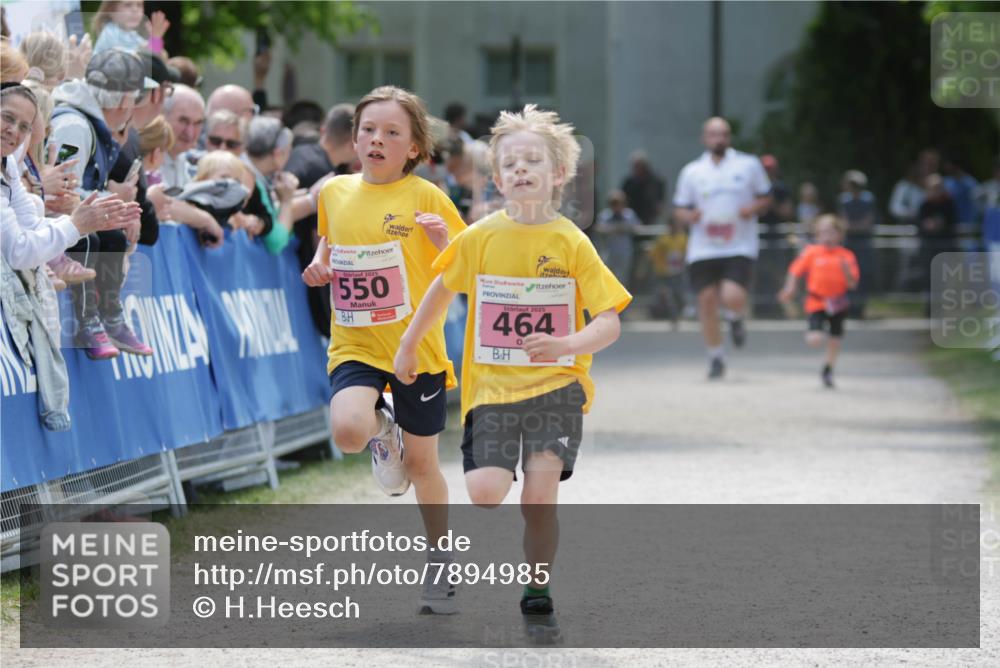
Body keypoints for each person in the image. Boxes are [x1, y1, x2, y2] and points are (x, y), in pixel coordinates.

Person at [394, 104, 630, 642]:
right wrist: (409, 344)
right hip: (493, 392)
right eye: (511, 163)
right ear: (497, 177)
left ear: (558, 175)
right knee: (484, 493)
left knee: (538, 500)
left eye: (533, 161)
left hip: (556, 389)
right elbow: (441, 287)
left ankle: (537, 590)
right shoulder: (480, 236)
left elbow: (610, 321)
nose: (521, 170)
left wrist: (566, 343)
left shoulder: (571, 240)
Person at [301, 85, 466, 614]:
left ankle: (439, 562)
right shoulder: (332, 192)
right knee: (349, 431)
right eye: (368, 130)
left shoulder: (428, 199)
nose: (377, 139)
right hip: (354, 342)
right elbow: (330, 242)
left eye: (392, 133)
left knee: (422, 467)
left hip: (415, 350)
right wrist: (321, 264)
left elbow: (464, 272)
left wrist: (444, 244)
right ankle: (381, 430)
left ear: (415, 147)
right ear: (353, 138)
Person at [48, 48, 156, 359]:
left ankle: (110, 316)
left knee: (111, 235)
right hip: (50, 221)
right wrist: (114, 205)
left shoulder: (89, 124)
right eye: (134, 100)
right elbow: (62, 193)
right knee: (94, 236)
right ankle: (89, 322)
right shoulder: (74, 125)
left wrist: (114, 200)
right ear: (124, 100)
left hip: (65, 214)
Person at [672, 116, 772, 379]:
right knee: (705, 302)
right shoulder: (692, 171)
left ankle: (735, 317)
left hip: (738, 244)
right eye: (714, 134)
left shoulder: (748, 165)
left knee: (732, 297)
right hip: (703, 247)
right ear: (705, 138)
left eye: (724, 134)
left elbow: (766, 197)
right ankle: (715, 356)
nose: (719, 139)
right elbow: (680, 207)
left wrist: (752, 208)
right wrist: (687, 216)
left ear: (729, 137)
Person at [2, 83, 139, 270]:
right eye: (7, 118)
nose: (14, 130)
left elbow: (31, 226)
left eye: (24, 126)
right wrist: (77, 224)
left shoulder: (7, 161)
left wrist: (88, 220)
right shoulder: (74, 125)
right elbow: (18, 252)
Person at [286, 103, 357, 335]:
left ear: (325, 129)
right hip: (303, 272)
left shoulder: (302, 154)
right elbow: (322, 236)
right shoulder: (323, 175)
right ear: (352, 144)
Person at [778, 214, 859, 388]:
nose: (827, 236)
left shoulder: (846, 255)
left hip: (838, 303)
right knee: (814, 339)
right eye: (823, 232)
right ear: (817, 234)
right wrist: (789, 288)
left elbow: (852, 284)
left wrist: (846, 272)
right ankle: (817, 332)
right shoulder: (812, 252)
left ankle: (828, 369)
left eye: (831, 232)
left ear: (839, 234)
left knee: (835, 340)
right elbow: (795, 271)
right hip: (816, 302)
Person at [836, 170, 876, 319]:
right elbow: (843, 223)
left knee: (863, 276)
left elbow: (867, 224)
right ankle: (848, 308)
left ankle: (860, 308)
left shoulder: (868, 200)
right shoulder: (844, 200)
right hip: (849, 244)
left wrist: (851, 226)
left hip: (863, 244)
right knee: (847, 275)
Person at [646, 218, 689, 328]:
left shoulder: (683, 238)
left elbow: (687, 252)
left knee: (678, 294)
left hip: (678, 271)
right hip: (664, 271)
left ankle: (677, 313)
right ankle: (672, 316)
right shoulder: (663, 239)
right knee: (668, 295)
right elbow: (654, 254)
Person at [594, 189, 641, 288]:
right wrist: (616, 229)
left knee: (623, 278)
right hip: (609, 251)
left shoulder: (629, 215)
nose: (616, 206)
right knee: (608, 278)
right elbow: (599, 228)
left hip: (625, 252)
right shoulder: (605, 215)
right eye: (613, 203)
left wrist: (623, 228)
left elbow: (637, 228)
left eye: (618, 203)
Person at [92, 1, 170, 55]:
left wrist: (156, 39)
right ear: (112, 10)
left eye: (139, 5)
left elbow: (158, 57)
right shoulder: (109, 32)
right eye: (128, 5)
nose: (135, 10)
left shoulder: (132, 35)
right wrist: (154, 40)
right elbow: (133, 58)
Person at [621, 150, 666, 225]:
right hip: (631, 220)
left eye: (638, 165)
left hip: (650, 219)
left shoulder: (656, 181)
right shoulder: (629, 182)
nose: (635, 168)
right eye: (634, 165)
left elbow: (660, 201)